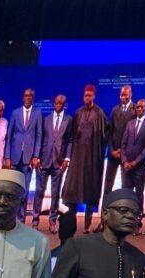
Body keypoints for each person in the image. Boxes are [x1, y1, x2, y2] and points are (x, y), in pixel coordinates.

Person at [62, 85, 108, 234]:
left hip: (92, 158)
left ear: (94, 96)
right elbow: (72, 135)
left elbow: (104, 136)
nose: (86, 98)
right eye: (85, 95)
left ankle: (87, 225)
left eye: (89, 95)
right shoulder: (78, 113)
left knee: (90, 190)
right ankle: (71, 222)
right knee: (74, 190)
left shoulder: (99, 113)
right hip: (77, 157)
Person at [3, 87, 42, 222]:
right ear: (22, 97)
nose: (27, 97)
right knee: (13, 189)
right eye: (25, 95)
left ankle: (21, 220)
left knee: (24, 191)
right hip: (14, 157)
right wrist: (7, 156)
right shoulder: (15, 113)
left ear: (33, 98)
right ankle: (11, 218)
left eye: (30, 95)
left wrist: (36, 156)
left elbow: (39, 135)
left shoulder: (37, 113)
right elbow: (9, 136)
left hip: (28, 158)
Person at [34, 94, 71, 233]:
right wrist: (37, 157)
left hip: (59, 162)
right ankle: (35, 221)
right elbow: (40, 139)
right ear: (53, 103)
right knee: (39, 192)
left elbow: (70, 140)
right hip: (44, 160)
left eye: (61, 103)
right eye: (56, 102)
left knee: (55, 194)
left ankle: (52, 222)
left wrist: (67, 158)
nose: (58, 105)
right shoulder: (46, 119)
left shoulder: (69, 120)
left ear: (64, 104)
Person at [120, 98, 145, 229]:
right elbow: (123, 144)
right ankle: (125, 220)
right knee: (126, 194)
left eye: (141, 107)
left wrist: (136, 162)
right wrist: (124, 161)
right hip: (126, 166)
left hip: (139, 166)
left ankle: (137, 222)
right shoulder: (130, 124)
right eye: (137, 107)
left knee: (138, 195)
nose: (139, 109)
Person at [104, 85, 135, 200]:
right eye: (121, 95)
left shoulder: (135, 110)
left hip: (127, 155)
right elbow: (109, 132)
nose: (122, 97)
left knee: (126, 184)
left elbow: (135, 134)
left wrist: (124, 151)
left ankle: (123, 209)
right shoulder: (115, 110)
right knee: (108, 183)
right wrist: (112, 150)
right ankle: (105, 209)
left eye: (125, 95)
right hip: (113, 154)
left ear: (130, 95)